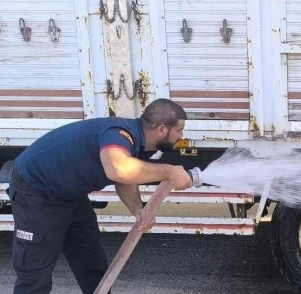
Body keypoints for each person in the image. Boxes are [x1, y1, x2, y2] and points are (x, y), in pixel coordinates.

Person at [7, 98, 195, 294]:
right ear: (162, 129)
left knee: (91, 262)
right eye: (179, 130)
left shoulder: (139, 142)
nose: (181, 135)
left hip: (70, 194)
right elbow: (118, 169)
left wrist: (137, 209)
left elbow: (125, 177)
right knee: (35, 273)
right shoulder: (118, 134)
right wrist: (169, 171)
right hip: (37, 191)